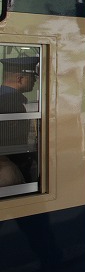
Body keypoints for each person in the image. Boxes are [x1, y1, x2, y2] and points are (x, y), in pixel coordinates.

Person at [0, 56, 39, 186]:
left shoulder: (6, 98)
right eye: (32, 77)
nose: (35, 80)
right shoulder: (11, 102)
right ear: (20, 79)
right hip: (11, 170)